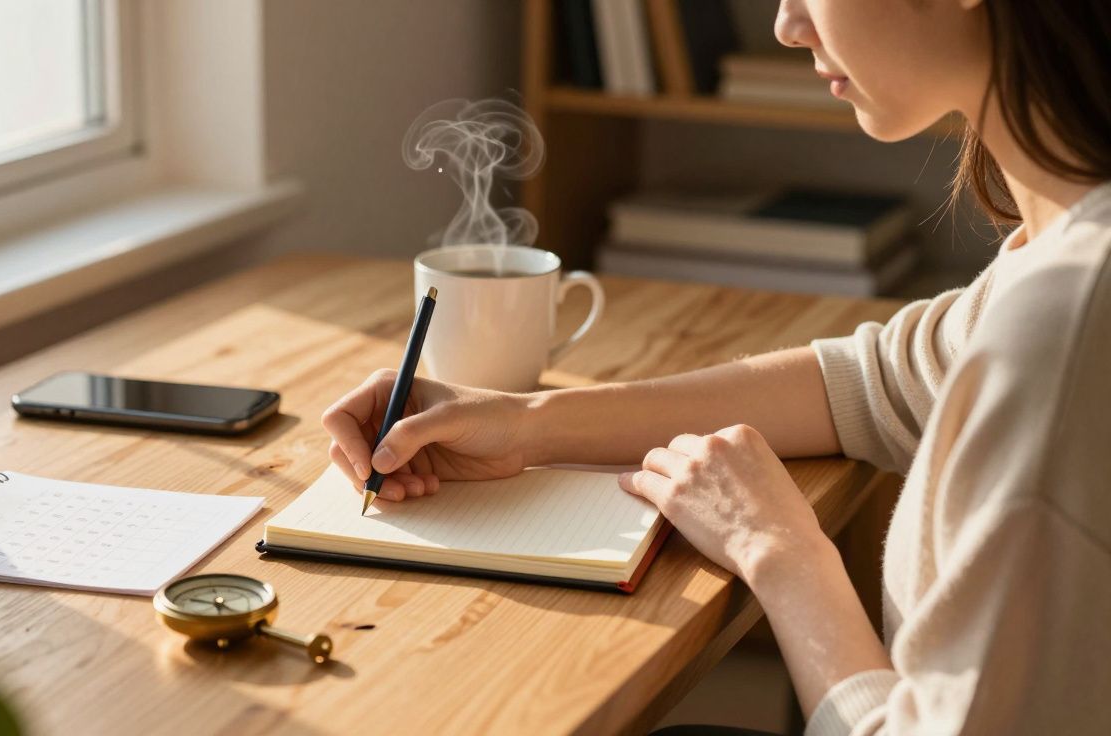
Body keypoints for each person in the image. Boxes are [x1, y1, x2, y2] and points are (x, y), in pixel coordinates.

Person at [321, 0, 1111, 733]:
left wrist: (782, 553)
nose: (786, 24)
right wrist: (522, 421)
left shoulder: (1070, 322)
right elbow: (879, 383)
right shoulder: (1065, 251)